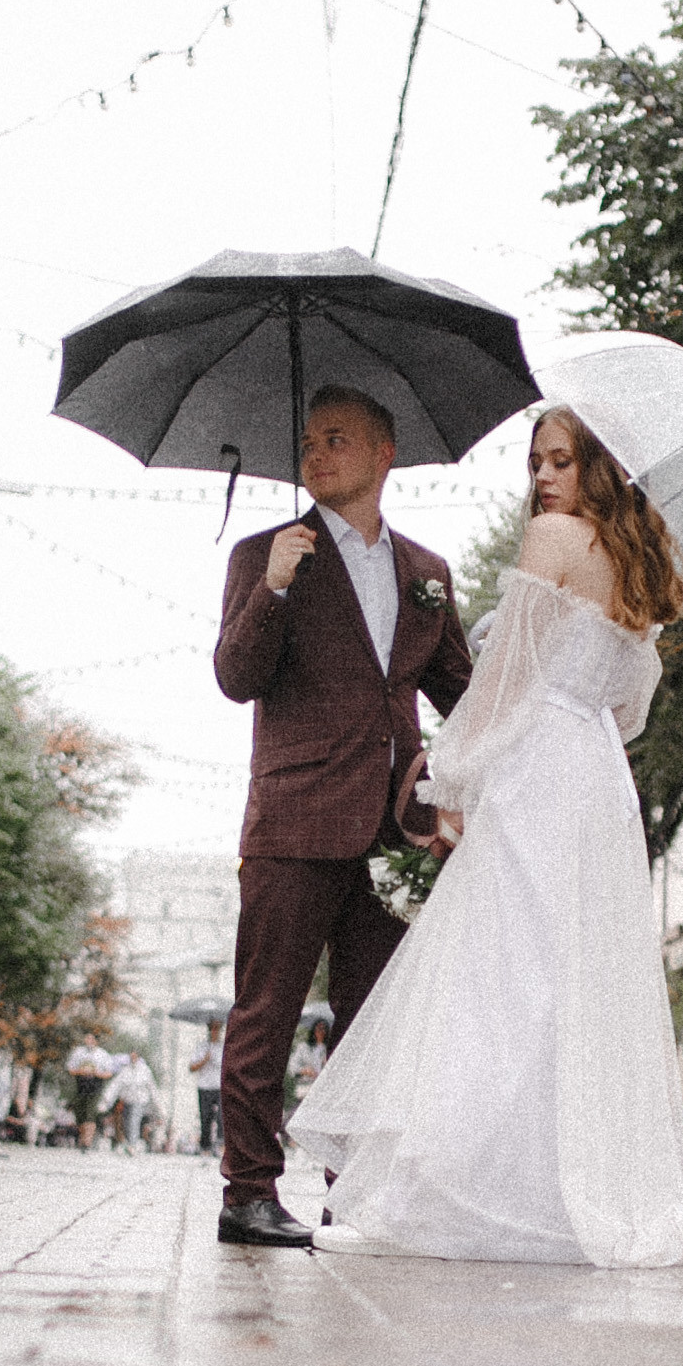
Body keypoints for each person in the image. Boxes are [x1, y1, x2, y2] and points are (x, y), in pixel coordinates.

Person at [289, 408, 683, 1269]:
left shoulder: (552, 539)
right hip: (596, 784)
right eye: (536, 461)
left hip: (540, 769)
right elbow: (627, 711)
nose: (544, 479)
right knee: (569, 978)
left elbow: (504, 676)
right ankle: (556, 1184)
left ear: (601, 469)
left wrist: (453, 779)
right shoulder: (644, 567)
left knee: (495, 973)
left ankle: (449, 1192)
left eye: (563, 460)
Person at [211, 385, 473, 1248]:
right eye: (308, 440)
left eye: (337, 439)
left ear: (382, 454)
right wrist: (276, 588)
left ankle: (353, 1197)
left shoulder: (427, 574)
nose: (316, 454)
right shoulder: (266, 554)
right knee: (267, 1015)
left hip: (389, 834)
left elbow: (463, 698)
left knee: (370, 1029)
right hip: (291, 822)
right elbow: (236, 676)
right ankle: (247, 1194)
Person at [65, 1032, 112, 1149]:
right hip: (81, 1085)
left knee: (90, 1114)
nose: (88, 1041)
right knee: (80, 1113)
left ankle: (87, 1142)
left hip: (95, 1086)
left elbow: (109, 1073)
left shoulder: (102, 1054)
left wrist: (96, 1073)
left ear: (96, 1041)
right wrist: (81, 1071)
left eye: (91, 1038)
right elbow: (70, 1069)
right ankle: (83, 1137)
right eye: (87, 1038)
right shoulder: (78, 1052)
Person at [192, 1022, 225, 1158]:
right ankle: (205, 1147)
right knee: (205, 1117)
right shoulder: (201, 1046)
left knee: (222, 1117)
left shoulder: (224, 1047)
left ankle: (220, 1145)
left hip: (220, 1087)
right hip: (204, 1086)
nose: (214, 1031)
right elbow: (192, 1067)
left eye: (217, 1029)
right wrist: (205, 1060)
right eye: (212, 1029)